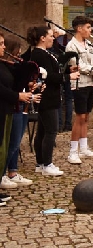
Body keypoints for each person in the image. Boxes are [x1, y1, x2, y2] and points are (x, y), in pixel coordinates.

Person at [26, 27, 80, 178]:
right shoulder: (39, 54)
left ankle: (41, 163)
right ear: (42, 38)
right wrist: (70, 77)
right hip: (47, 97)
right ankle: (47, 163)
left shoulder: (44, 53)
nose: (53, 38)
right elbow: (50, 77)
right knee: (51, 131)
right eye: (50, 36)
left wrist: (68, 71)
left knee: (43, 131)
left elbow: (55, 70)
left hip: (50, 96)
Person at [2, 35, 45, 189]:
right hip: (13, 107)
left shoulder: (11, 68)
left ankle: (12, 171)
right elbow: (10, 89)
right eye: (17, 54)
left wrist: (32, 86)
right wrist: (23, 94)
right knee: (11, 144)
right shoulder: (5, 68)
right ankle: (3, 174)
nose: (18, 57)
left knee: (15, 143)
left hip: (20, 105)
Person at [65, 16, 93, 164]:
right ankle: (73, 151)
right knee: (79, 117)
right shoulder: (71, 46)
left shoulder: (88, 44)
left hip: (90, 83)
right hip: (79, 84)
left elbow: (92, 61)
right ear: (79, 28)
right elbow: (79, 66)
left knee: (86, 116)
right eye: (87, 27)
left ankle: (84, 147)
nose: (90, 30)